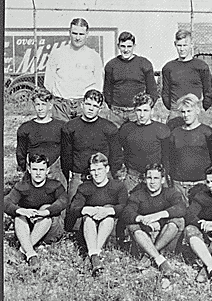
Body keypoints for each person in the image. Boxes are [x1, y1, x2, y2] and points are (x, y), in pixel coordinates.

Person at [61, 89, 123, 232]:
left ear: (100, 108)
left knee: (107, 210)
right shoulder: (70, 127)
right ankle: (76, 235)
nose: (90, 108)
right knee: (73, 211)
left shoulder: (109, 128)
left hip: (102, 176)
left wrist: (108, 175)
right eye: (88, 104)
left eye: (95, 106)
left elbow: (116, 155)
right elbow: (66, 155)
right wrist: (72, 174)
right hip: (79, 176)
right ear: (82, 104)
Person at [4, 153, 68, 269]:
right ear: (29, 169)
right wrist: (20, 210)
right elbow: (6, 202)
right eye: (35, 169)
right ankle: (31, 254)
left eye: (41, 169)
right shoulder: (22, 186)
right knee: (19, 216)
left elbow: (63, 201)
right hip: (29, 228)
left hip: (50, 229)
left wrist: (46, 212)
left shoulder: (55, 185)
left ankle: (23, 250)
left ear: (47, 170)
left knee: (44, 208)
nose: (38, 173)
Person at [122, 163, 186, 278]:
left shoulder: (171, 193)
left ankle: (149, 255)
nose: (152, 182)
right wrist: (142, 219)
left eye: (156, 178)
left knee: (178, 220)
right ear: (144, 179)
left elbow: (181, 208)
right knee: (132, 224)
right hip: (145, 239)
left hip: (166, 239)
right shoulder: (137, 194)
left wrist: (158, 217)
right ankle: (159, 260)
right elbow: (126, 213)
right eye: (149, 178)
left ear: (162, 180)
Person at [68, 153, 128, 277]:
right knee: (88, 219)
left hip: (109, 229)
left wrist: (108, 211)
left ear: (107, 169)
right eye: (93, 170)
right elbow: (73, 209)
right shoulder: (85, 187)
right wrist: (86, 209)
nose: (96, 173)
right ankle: (95, 256)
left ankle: (93, 254)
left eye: (100, 169)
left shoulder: (118, 186)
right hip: (89, 230)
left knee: (108, 216)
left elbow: (125, 207)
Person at [44, 18, 104, 122]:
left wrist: (89, 105)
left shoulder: (94, 56)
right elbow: (48, 82)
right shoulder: (57, 54)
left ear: (87, 34)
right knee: (61, 136)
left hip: (83, 105)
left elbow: (98, 84)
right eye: (74, 33)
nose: (77, 37)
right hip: (61, 106)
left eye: (81, 34)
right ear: (69, 33)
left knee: (82, 137)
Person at [168, 93, 212, 204]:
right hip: (180, 185)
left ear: (197, 111)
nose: (186, 115)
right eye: (183, 112)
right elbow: (170, 159)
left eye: (189, 111)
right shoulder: (175, 133)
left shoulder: (207, 132)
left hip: (201, 185)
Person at [104, 31, 159, 127]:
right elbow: (107, 90)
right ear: (118, 46)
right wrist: (113, 107)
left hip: (136, 112)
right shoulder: (111, 65)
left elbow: (152, 91)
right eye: (123, 46)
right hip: (116, 113)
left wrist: (144, 109)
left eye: (129, 46)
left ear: (134, 46)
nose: (126, 50)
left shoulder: (144, 64)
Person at [118, 92, 171, 193]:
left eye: (145, 110)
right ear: (134, 110)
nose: (142, 115)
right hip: (133, 178)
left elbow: (166, 156)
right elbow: (121, 152)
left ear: (151, 110)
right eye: (138, 110)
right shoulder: (126, 129)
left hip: (154, 177)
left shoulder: (162, 129)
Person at [16, 88, 67, 188]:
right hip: (34, 171)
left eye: (43, 104)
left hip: (55, 171)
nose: (40, 108)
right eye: (37, 104)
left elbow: (67, 151)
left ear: (50, 106)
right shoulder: (25, 128)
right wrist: (24, 169)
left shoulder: (61, 126)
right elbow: (20, 153)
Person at [162, 29, 212, 122]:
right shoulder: (169, 67)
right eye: (179, 45)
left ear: (191, 45)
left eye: (185, 45)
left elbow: (208, 91)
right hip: (176, 111)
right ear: (175, 44)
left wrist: (202, 107)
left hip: (195, 110)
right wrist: (173, 108)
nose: (182, 49)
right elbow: (165, 93)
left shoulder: (201, 66)